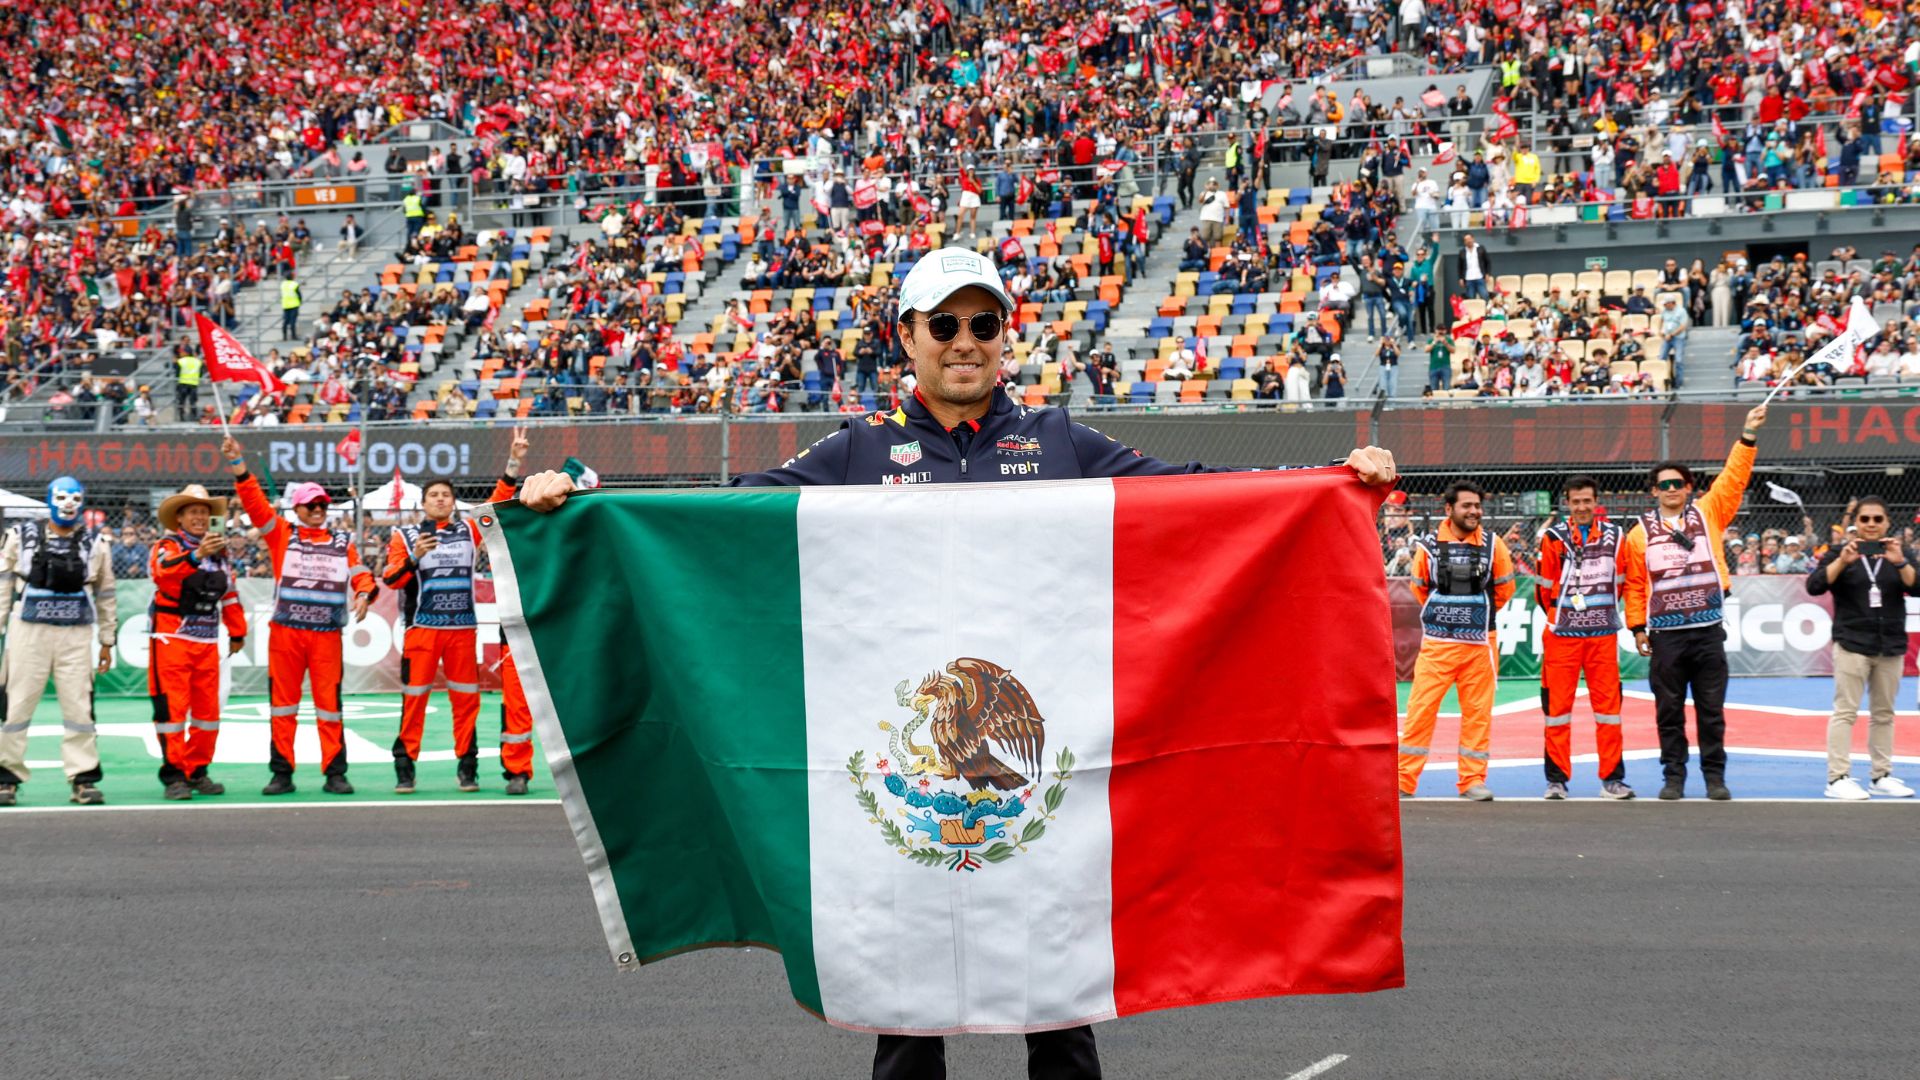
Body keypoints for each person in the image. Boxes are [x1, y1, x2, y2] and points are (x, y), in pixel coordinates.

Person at [514, 246, 1399, 1080]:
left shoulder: (1061, 441)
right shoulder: (857, 450)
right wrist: (584, 503)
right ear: (907, 337)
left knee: (1060, 1002)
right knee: (908, 1010)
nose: (965, 344)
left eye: (983, 325)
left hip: (1046, 769)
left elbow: (1198, 495)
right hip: (910, 777)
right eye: (943, 326)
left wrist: (1328, 482)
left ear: (1006, 335)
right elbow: (720, 521)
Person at [1621, 406, 1768, 801]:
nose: (1671, 489)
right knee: (1668, 713)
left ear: (1689, 488)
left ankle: (1714, 777)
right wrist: (1637, 628)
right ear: (1653, 491)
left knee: (1711, 711)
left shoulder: (1709, 513)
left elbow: (1734, 479)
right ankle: (1674, 777)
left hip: (1706, 634)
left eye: (1679, 483)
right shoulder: (1638, 534)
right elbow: (1635, 585)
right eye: (1664, 484)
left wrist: (1748, 435)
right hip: (1666, 638)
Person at [225, 435, 376, 795]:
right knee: (282, 705)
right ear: (296, 509)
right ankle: (282, 773)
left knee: (329, 706)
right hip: (286, 634)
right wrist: (238, 466)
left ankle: (335, 773)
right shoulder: (281, 534)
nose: (319, 509)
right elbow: (255, 503)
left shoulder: (343, 543)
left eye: (322, 503)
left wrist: (365, 592)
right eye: (311, 505)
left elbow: (360, 574)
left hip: (325, 635)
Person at [384, 429, 532, 795]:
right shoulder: (403, 536)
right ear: (423, 502)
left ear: (453, 502)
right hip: (421, 631)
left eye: (445, 495)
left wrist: (513, 463)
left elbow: (497, 501)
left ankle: (468, 768)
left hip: (463, 632)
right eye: (433, 495)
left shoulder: (468, 529)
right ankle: (406, 768)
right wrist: (416, 556)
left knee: (466, 702)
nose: (439, 500)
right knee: (414, 700)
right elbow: (391, 579)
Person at [0, 478, 116, 807]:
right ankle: (6, 778)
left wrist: (108, 639)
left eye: (76, 497)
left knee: (79, 707)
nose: (68, 503)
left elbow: (106, 593)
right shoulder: (19, 536)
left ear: (83, 502)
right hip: (28, 632)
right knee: (16, 705)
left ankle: (83, 778)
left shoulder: (97, 543)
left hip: (76, 635)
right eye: (62, 497)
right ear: (49, 500)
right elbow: (4, 583)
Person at [1399, 481, 1516, 801]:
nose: (1474, 511)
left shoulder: (1495, 545)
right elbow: (1419, 588)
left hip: (1481, 645)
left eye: (1477, 506)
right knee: (1420, 710)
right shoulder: (1427, 546)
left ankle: (1472, 781)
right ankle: (1404, 780)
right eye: (1467, 506)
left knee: (1478, 714)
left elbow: (1505, 590)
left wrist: (1474, 616)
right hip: (1438, 645)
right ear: (1449, 510)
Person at [1804, 496, 1915, 799]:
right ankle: (1837, 777)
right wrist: (1843, 561)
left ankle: (1881, 775)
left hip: (1889, 643)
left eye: (1877, 519)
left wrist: (1900, 561)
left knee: (1884, 713)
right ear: (1857, 522)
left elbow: (1917, 586)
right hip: (1852, 643)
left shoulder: (1899, 552)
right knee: (1845, 712)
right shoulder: (1840, 552)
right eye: (1865, 519)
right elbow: (1814, 586)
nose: (1871, 525)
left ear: (1887, 522)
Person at [1534, 477, 1634, 800]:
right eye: (1575, 502)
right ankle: (1557, 781)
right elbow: (1543, 589)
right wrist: (1565, 617)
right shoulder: (1553, 537)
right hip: (1562, 638)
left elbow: (1622, 582)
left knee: (1609, 711)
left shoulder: (1617, 536)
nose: (1581, 507)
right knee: (1557, 711)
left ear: (1596, 502)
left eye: (1586, 501)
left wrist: (1596, 614)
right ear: (1567, 503)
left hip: (1603, 636)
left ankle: (1612, 780)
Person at [147, 483, 249, 800]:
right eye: (193, 511)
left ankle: (197, 770)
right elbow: (162, 573)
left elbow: (229, 595)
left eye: (204, 512)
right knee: (172, 712)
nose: (200, 517)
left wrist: (237, 631)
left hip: (207, 643)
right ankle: (174, 775)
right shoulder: (167, 545)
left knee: (208, 712)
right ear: (179, 517)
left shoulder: (220, 554)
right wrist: (196, 555)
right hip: (170, 639)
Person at [175, 347, 203, 417]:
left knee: (182, 401)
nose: (181, 353)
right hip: (193, 384)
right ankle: (194, 415)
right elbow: (201, 374)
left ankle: (181, 416)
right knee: (193, 401)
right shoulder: (198, 361)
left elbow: (177, 373)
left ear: (186, 353)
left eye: (183, 352)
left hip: (183, 383)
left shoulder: (181, 361)